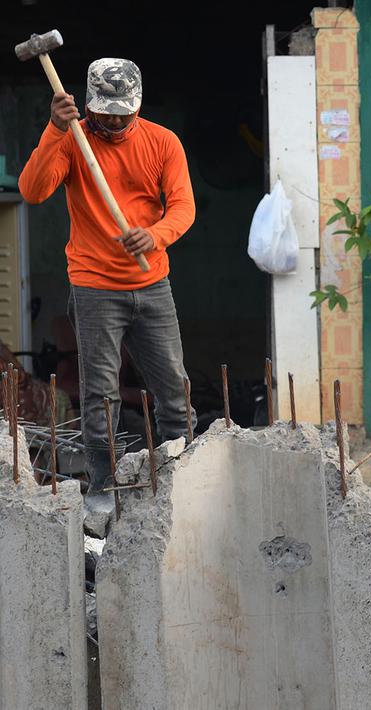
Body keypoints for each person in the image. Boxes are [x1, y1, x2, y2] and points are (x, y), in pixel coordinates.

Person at [19, 58, 196, 496]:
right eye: (105, 112)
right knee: (101, 395)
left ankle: (185, 482)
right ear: (90, 105)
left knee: (174, 389)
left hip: (152, 284)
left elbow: (183, 207)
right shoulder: (74, 140)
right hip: (94, 285)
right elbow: (32, 190)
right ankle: (103, 489)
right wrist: (55, 131)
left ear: (138, 106)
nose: (114, 121)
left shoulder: (162, 142)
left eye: (124, 113)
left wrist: (154, 236)